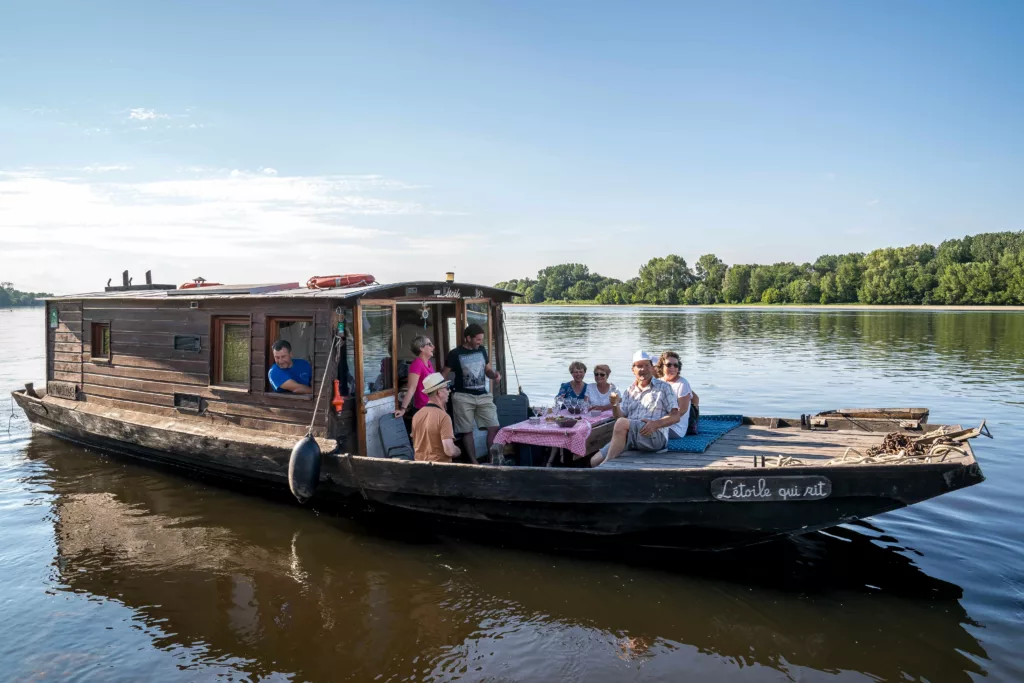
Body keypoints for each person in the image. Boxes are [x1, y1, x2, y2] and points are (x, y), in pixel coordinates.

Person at [590, 350, 679, 467]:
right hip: (631, 436)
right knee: (594, 461)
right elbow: (620, 418)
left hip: (654, 435)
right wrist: (615, 404)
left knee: (622, 424)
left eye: (647, 365)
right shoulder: (629, 391)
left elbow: (675, 416)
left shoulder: (664, 387)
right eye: (639, 366)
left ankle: (606, 466)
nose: (643, 369)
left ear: (652, 368)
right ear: (633, 370)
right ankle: (602, 468)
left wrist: (656, 424)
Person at [440, 324, 501, 464]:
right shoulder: (455, 353)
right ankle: (475, 464)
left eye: (481, 339)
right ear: (468, 338)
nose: (480, 342)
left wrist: (494, 375)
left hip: (483, 395)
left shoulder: (482, 350)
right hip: (462, 396)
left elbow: (488, 370)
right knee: (467, 430)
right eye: (478, 339)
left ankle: (492, 462)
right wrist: (441, 394)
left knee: (494, 426)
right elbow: (443, 374)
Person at [411, 372, 462, 463]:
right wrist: (458, 450)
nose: (449, 391)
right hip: (439, 470)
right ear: (439, 392)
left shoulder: (417, 415)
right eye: (447, 388)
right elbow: (449, 451)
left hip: (419, 468)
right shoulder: (444, 417)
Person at [655, 351, 700, 437]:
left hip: (675, 427)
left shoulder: (682, 384)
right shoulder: (658, 382)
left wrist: (659, 423)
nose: (672, 367)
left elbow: (682, 410)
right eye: (669, 365)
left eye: (675, 365)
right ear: (661, 367)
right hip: (657, 421)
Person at [394, 335, 435, 422]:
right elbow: (411, 389)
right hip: (423, 408)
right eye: (429, 344)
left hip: (433, 406)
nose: (433, 346)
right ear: (421, 348)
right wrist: (403, 409)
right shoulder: (417, 364)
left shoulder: (428, 363)